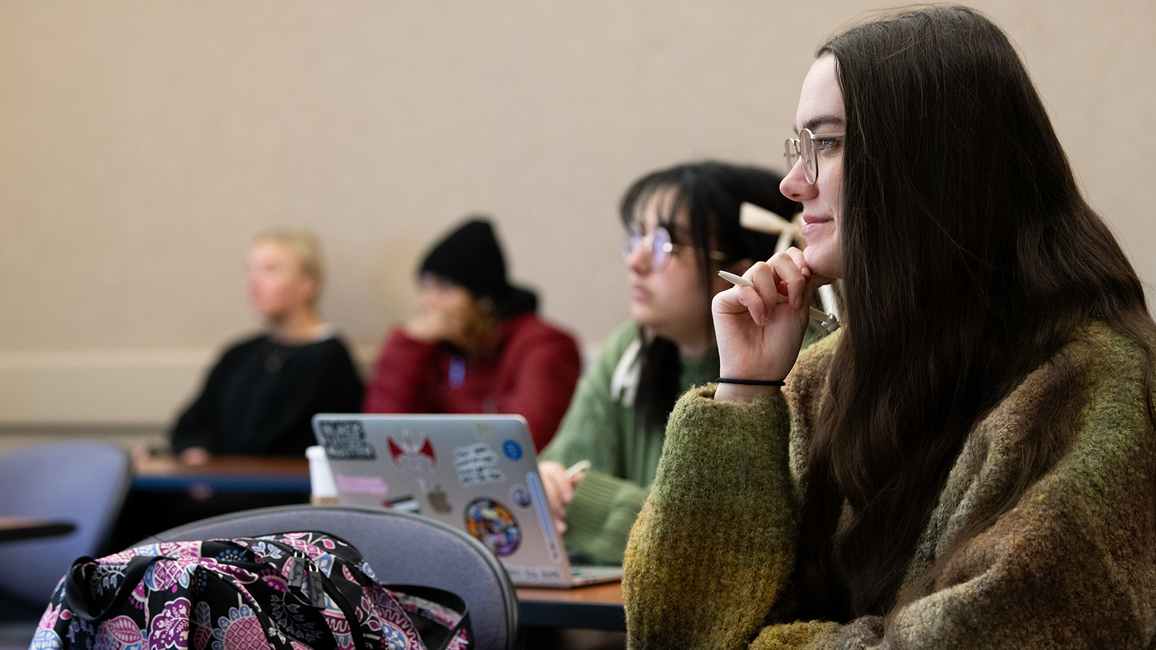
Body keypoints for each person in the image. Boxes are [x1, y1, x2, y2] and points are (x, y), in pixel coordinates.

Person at [623, 6, 1156, 649]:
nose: (794, 184)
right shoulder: (822, 373)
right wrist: (743, 392)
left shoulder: (1094, 383)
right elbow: (669, 633)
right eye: (800, 146)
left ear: (933, 165)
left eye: (827, 143)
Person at [538, 161, 803, 566]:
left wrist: (581, 501)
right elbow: (553, 474)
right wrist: (552, 485)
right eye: (637, 239)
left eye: (664, 245)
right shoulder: (633, 348)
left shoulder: (801, 363)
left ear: (744, 273)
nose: (636, 262)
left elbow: (727, 548)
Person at [363, 217, 581, 452]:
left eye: (443, 287)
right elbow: (383, 440)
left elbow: (516, 445)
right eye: (423, 287)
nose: (427, 302)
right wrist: (406, 347)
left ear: (482, 299)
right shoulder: (434, 350)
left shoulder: (545, 346)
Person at [170, 230, 364, 462]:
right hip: (212, 483)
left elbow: (283, 444)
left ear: (308, 284)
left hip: (275, 490)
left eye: (270, 270)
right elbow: (192, 423)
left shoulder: (329, 360)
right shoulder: (238, 354)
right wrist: (195, 450)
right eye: (249, 270)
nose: (253, 282)